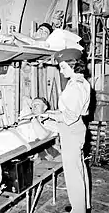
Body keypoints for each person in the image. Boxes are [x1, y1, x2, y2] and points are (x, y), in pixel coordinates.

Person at [40, 48, 91, 213]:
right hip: (76, 129)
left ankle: (78, 210)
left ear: (74, 64)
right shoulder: (80, 82)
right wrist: (49, 113)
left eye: (63, 67)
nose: (61, 71)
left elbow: (68, 117)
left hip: (71, 130)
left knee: (73, 175)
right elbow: (71, 112)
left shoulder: (75, 87)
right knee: (80, 169)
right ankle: (84, 205)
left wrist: (48, 116)